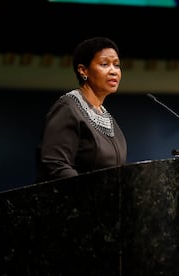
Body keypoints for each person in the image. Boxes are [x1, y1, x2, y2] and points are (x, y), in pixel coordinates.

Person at [35, 37, 127, 182]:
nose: (113, 71)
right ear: (83, 70)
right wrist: (88, 198)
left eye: (116, 65)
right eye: (104, 64)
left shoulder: (107, 118)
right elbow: (55, 164)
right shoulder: (68, 108)